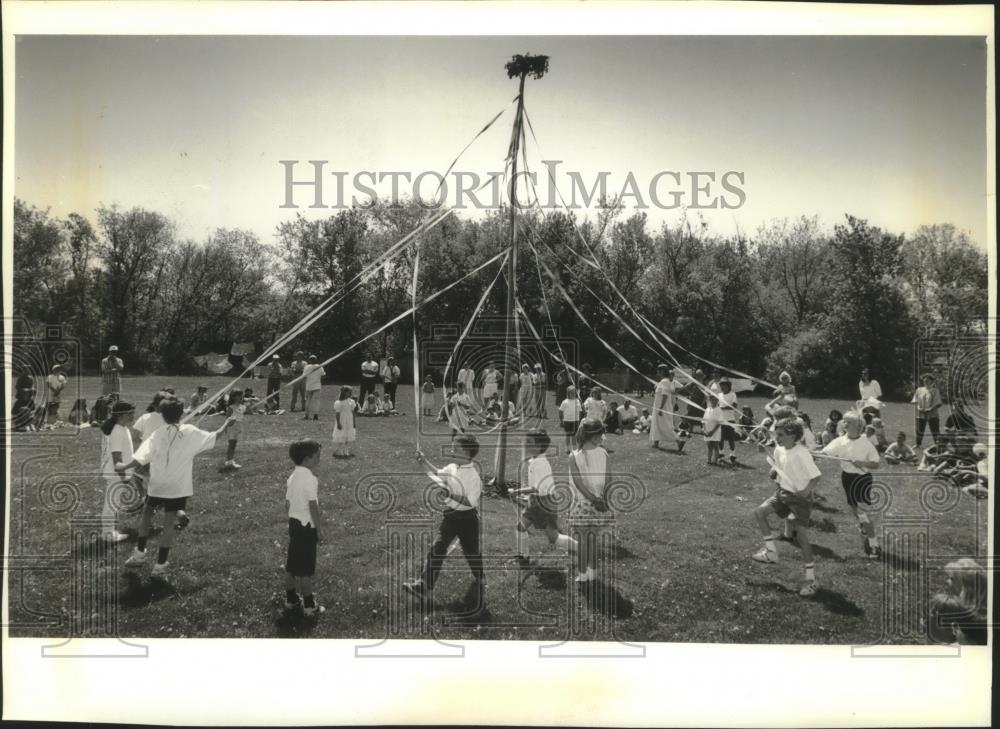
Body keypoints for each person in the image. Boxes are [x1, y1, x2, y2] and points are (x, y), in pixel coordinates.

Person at [117, 398, 234, 576]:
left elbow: (141, 456)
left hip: (158, 485)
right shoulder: (191, 432)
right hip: (177, 487)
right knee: (169, 523)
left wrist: (124, 467)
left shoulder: (157, 434)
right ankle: (160, 565)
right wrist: (227, 423)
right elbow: (214, 436)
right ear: (182, 413)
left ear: (162, 415)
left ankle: (140, 554)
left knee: (147, 514)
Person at [403, 436, 485, 608]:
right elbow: (438, 473)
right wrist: (424, 461)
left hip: (468, 519)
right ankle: (423, 585)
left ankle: (480, 575)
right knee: (437, 548)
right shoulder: (453, 467)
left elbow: (471, 502)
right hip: (450, 517)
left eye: (456, 447)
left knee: (471, 552)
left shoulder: (473, 476)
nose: (452, 450)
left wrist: (450, 495)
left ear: (466, 452)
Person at [751, 418, 823, 597]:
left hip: (799, 499)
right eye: (776, 433)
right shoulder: (778, 449)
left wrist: (805, 492)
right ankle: (771, 551)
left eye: (781, 434)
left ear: (793, 435)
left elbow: (815, 476)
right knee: (760, 513)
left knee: (802, 538)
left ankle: (812, 579)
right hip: (782, 493)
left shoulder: (801, 453)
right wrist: (773, 471)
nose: (777, 437)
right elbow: (778, 469)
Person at [508, 429, 577, 568]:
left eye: (529, 442)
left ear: (539, 446)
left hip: (545, 503)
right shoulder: (535, 460)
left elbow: (537, 488)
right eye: (525, 441)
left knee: (554, 538)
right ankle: (523, 556)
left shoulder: (540, 463)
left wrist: (516, 491)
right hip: (536, 501)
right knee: (520, 528)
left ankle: (581, 548)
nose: (525, 444)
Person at [821, 411, 883, 558]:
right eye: (845, 421)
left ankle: (874, 545)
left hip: (862, 479)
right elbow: (825, 452)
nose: (845, 424)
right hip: (847, 478)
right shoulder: (841, 440)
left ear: (858, 425)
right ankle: (864, 527)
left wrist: (862, 463)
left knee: (862, 513)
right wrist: (810, 453)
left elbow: (876, 464)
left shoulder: (865, 443)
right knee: (854, 508)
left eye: (849, 422)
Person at [283, 439, 325, 616]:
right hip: (306, 526)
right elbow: (313, 506)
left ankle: (291, 599)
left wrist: (292, 519)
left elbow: (287, 503)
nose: (319, 459)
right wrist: (319, 528)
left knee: (292, 565)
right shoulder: (310, 479)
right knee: (305, 569)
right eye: (317, 456)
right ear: (307, 459)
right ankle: (309, 605)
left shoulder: (292, 477)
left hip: (294, 524)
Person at [568, 418, 611, 583]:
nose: (602, 437)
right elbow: (609, 478)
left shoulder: (574, 456)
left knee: (583, 541)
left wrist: (593, 499)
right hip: (599, 503)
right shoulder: (604, 453)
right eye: (601, 434)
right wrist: (603, 500)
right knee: (593, 539)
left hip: (582, 504)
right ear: (594, 437)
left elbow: (578, 483)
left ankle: (583, 574)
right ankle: (592, 572)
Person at [100, 401, 138, 543]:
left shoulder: (123, 429)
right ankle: (107, 534)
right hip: (117, 473)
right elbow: (117, 457)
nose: (133, 416)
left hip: (120, 473)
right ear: (121, 415)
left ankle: (109, 532)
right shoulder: (117, 431)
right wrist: (124, 476)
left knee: (114, 502)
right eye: (130, 414)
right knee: (111, 503)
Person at [651, 364, 684, 453]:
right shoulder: (663, 381)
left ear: (662, 371)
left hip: (663, 407)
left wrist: (661, 409)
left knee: (665, 426)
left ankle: (679, 441)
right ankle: (656, 442)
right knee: (658, 424)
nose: (657, 372)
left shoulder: (665, 381)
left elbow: (665, 395)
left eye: (658, 370)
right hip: (659, 406)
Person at [911, 373, 942, 448]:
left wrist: (930, 409)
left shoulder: (935, 390)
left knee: (935, 429)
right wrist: (918, 408)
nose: (926, 381)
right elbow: (915, 400)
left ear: (931, 381)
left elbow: (937, 402)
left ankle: (937, 444)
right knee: (919, 429)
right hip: (920, 413)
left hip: (932, 413)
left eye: (928, 380)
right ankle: (918, 444)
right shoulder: (919, 390)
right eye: (925, 379)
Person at [717, 379, 740, 464]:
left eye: (724, 385)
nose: (722, 387)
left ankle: (732, 454)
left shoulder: (732, 394)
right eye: (721, 386)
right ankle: (721, 454)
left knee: (731, 438)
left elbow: (734, 406)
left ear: (728, 386)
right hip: (721, 420)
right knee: (720, 438)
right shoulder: (719, 395)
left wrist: (723, 408)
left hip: (730, 420)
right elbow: (717, 405)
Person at [224, 390, 246, 469]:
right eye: (239, 395)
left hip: (238, 427)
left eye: (242, 395)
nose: (241, 397)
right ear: (233, 397)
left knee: (234, 444)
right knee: (232, 444)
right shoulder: (231, 407)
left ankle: (230, 460)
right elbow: (227, 418)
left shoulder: (242, 406)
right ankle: (229, 461)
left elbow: (242, 414)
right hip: (232, 427)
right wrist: (226, 427)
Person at [332, 386, 357, 458]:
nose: (351, 394)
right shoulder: (339, 402)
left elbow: (353, 412)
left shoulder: (351, 402)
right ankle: (340, 450)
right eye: (349, 392)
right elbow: (337, 413)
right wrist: (338, 423)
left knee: (348, 434)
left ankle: (346, 450)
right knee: (341, 434)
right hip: (342, 420)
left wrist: (354, 422)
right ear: (344, 393)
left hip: (349, 420)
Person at [701, 394, 725, 465]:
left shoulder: (719, 410)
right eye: (711, 400)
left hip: (715, 431)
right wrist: (705, 430)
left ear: (717, 401)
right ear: (709, 401)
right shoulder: (707, 409)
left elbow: (719, 422)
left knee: (715, 445)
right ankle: (709, 460)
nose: (713, 401)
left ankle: (715, 461)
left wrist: (713, 431)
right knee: (709, 446)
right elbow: (703, 421)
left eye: (714, 400)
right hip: (707, 431)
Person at [303, 355, 326, 420]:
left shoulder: (306, 367)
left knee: (308, 401)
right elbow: (323, 375)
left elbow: (304, 377)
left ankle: (306, 415)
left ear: (309, 360)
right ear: (316, 360)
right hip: (317, 386)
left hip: (309, 386)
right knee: (316, 401)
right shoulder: (319, 367)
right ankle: (315, 415)